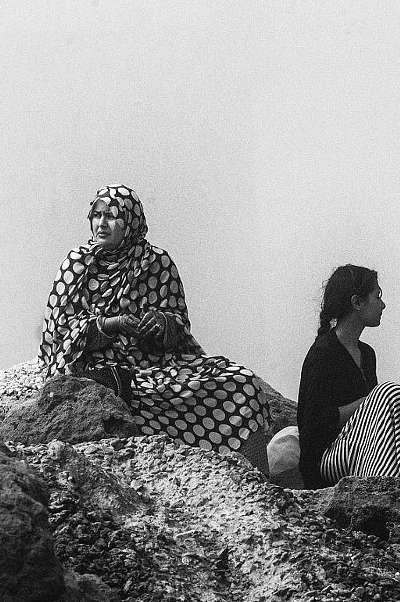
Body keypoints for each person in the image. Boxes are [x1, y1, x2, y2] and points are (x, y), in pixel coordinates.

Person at [39, 184, 270, 457]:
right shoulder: (76, 265)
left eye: (112, 216)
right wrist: (110, 325)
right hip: (103, 370)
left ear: (131, 223)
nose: (102, 223)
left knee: (242, 384)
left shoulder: (156, 262)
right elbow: (59, 329)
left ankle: (256, 481)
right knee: (126, 400)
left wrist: (161, 324)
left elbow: (180, 324)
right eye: (97, 215)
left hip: (157, 366)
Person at [295, 264, 400, 488]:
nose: (383, 304)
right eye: (377, 297)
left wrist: (375, 404)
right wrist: (371, 403)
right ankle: (394, 487)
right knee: (388, 394)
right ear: (357, 302)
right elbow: (313, 425)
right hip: (326, 463)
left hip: (362, 452)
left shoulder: (367, 355)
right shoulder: (323, 352)